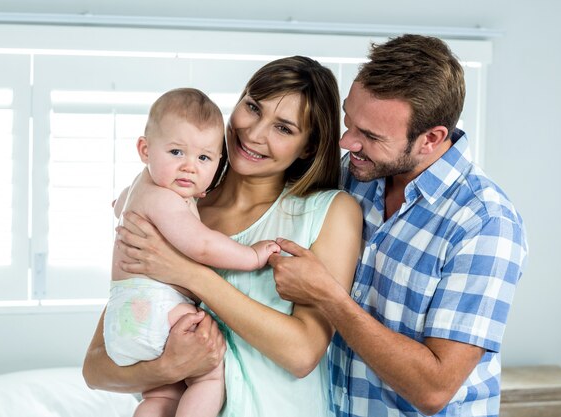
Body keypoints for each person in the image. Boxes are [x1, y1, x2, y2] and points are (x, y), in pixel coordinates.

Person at [83, 56, 363, 417]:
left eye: (284, 129)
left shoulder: (329, 211)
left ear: (308, 147)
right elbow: (96, 368)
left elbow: (302, 353)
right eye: (252, 107)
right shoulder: (175, 206)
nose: (255, 133)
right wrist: (166, 368)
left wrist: (187, 274)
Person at [269, 34, 528, 417]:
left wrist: (328, 296)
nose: (346, 142)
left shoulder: (486, 224)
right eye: (349, 121)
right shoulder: (352, 177)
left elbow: (434, 388)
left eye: (370, 136)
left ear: (431, 139)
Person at [105, 87, 280, 417]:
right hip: (160, 311)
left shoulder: (137, 189)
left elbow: (118, 209)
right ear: (145, 149)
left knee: (160, 398)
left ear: (218, 161)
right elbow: (202, 245)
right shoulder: (165, 199)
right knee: (210, 376)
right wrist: (252, 256)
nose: (189, 167)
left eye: (203, 158)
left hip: (123, 321)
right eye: (176, 152)